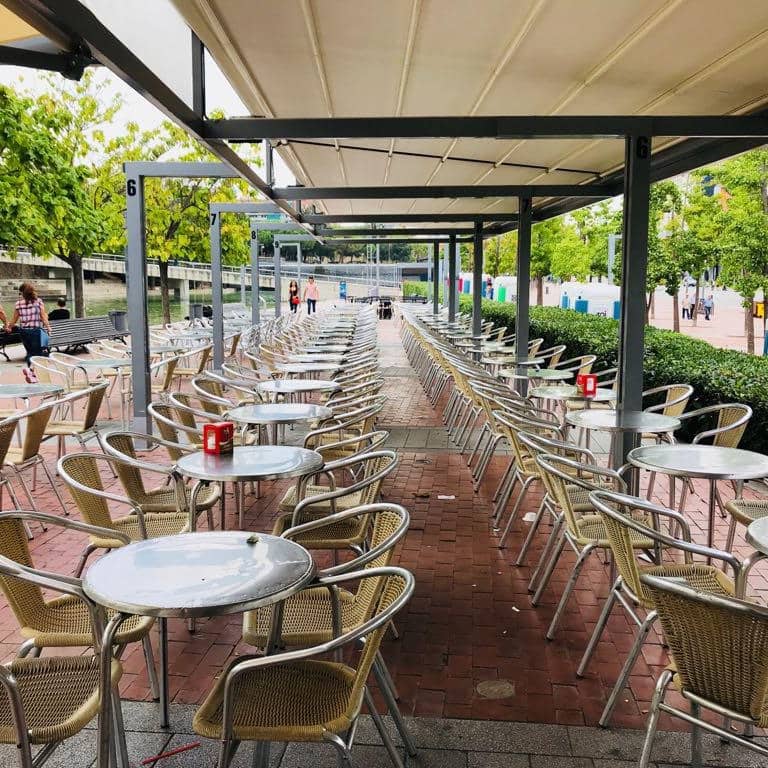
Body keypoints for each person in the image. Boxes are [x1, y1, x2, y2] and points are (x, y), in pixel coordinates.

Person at [10, 282, 51, 367]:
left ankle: (30, 370)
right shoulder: (38, 302)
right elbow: (43, 316)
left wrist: (9, 327)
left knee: (30, 352)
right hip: (35, 331)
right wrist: (48, 327)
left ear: (23, 293)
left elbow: (14, 319)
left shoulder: (18, 303)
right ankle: (33, 371)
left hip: (24, 332)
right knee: (36, 353)